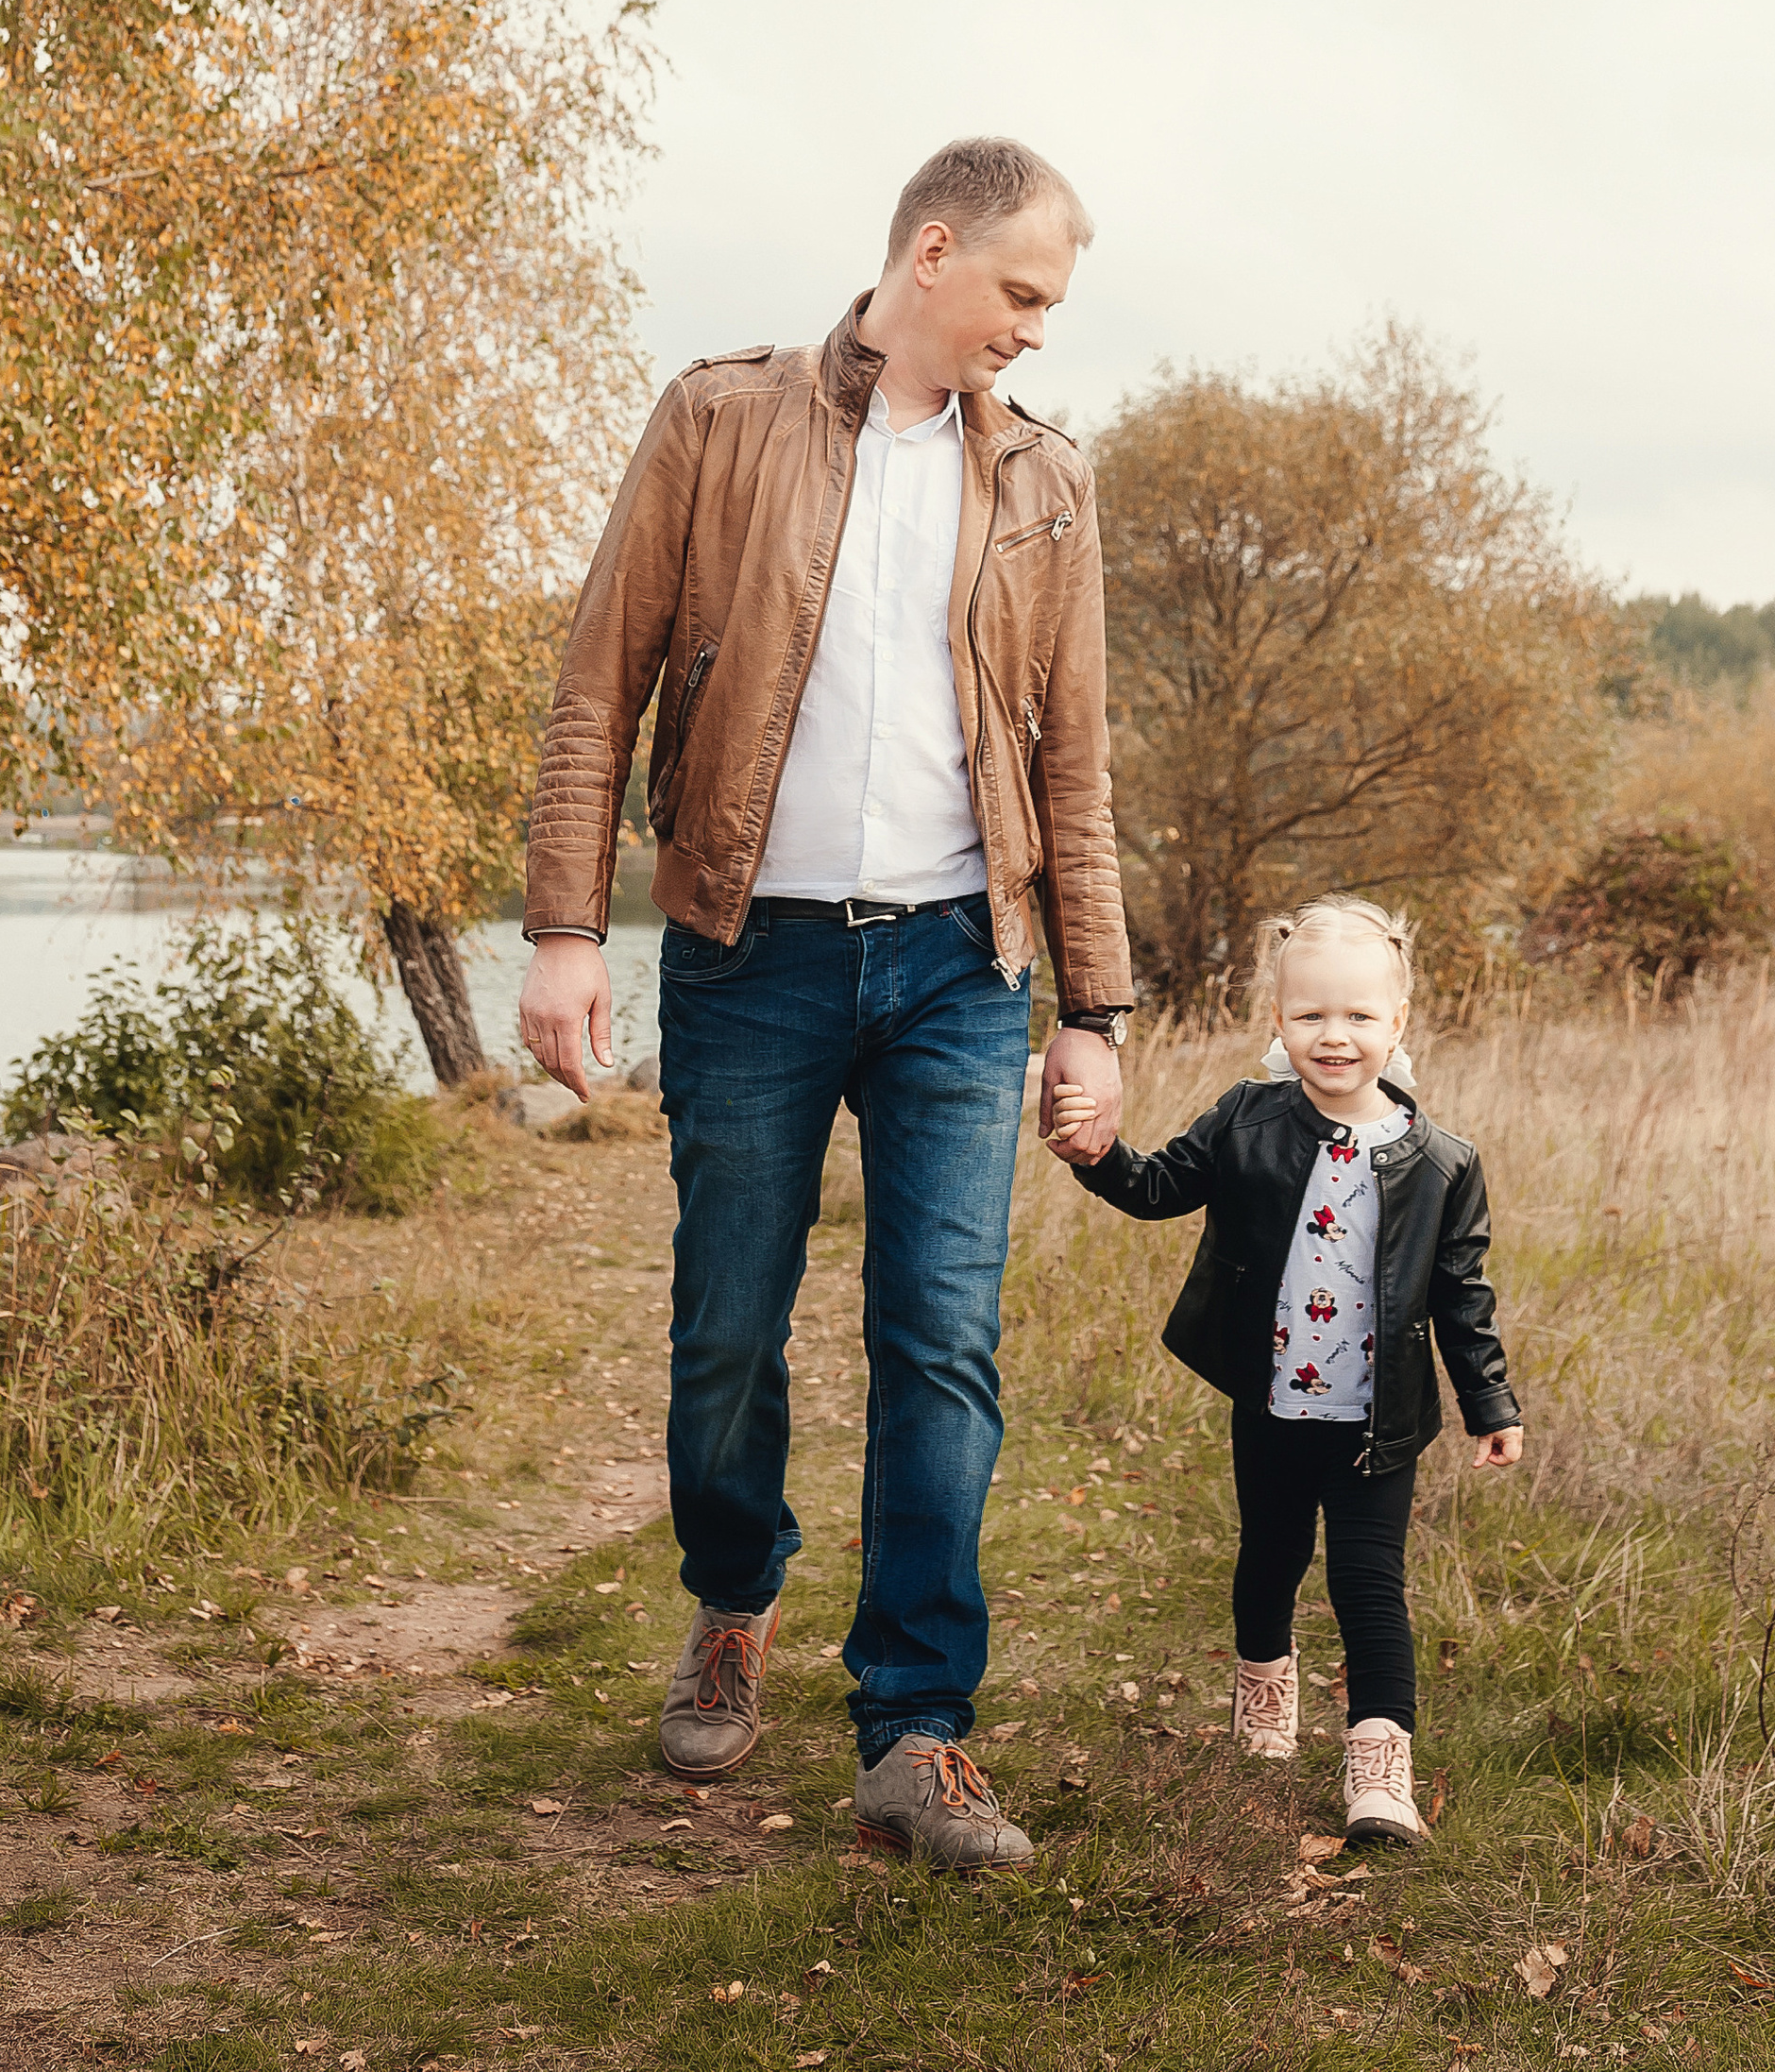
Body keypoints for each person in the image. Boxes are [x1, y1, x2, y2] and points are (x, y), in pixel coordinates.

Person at [517, 136, 1137, 1873]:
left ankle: (915, 1725)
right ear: (930, 253)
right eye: (1020, 292)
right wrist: (566, 925)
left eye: (1051, 305)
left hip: (958, 964)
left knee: (940, 1337)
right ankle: (732, 1595)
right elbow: (598, 682)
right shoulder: (722, 420)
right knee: (728, 1324)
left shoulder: (1049, 488)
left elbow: (1073, 767)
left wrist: (1091, 1004)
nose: (1035, 329)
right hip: (747, 947)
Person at [1048, 894, 1520, 1842]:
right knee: (1269, 1558)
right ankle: (1264, 1694)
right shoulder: (1246, 1121)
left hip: (1376, 1422)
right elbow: (1158, 1187)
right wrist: (1095, 1154)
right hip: (1268, 1406)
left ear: (1399, 1020)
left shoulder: (1441, 1163)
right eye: (1309, 1015)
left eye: (1356, 1016)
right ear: (1276, 1019)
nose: (1333, 1036)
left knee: (1367, 1582)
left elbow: (1460, 1295)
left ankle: (1380, 1762)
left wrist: (1487, 1399)